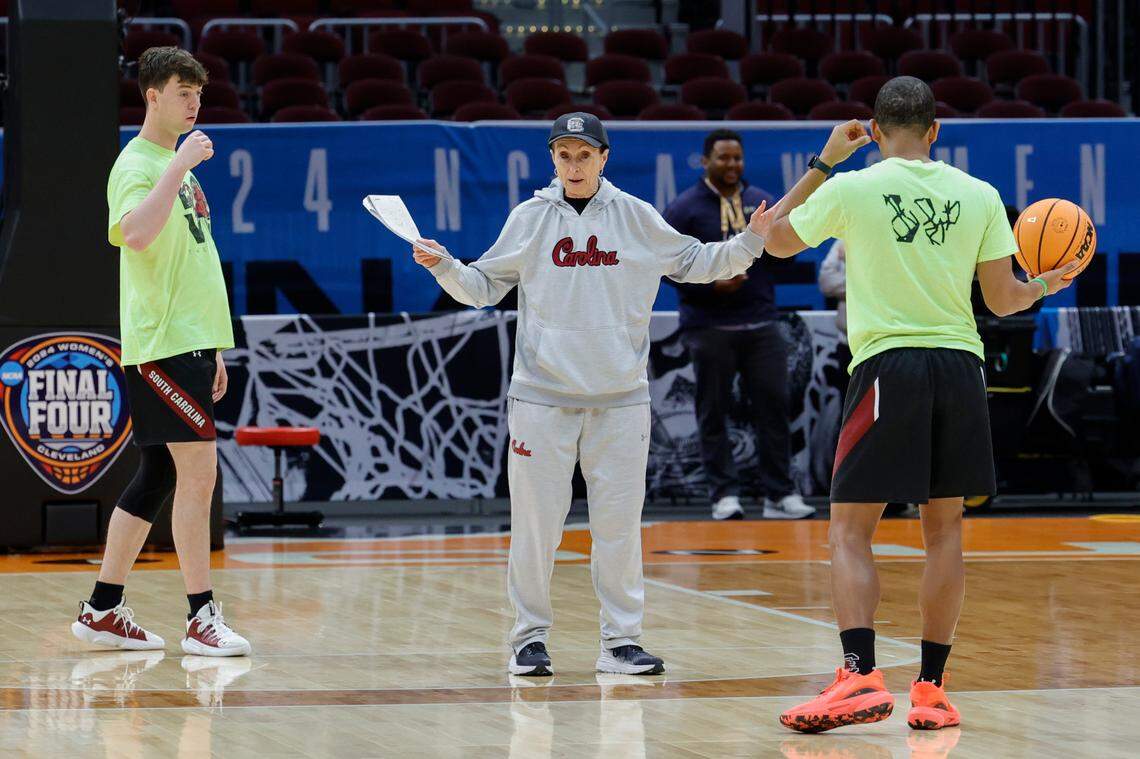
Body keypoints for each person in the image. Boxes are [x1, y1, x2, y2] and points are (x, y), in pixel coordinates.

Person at [411, 112, 843, 678]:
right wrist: (444, 265)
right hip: (541, 399)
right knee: (536, 526)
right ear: (553, 160)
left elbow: (699, 264)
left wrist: (749, 241)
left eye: (583, 155)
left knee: (617, 527)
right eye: (564, 155)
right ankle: (529, 639)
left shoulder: (637, 218)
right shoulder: (530, 218)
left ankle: (620, 641)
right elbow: (482, 287)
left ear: (603, 158)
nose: (573, 165)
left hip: (620, 400)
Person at [756, 78, 1076, 733]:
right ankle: (930, 689)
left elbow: (775, 240)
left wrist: (823, 162)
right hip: (960, 367)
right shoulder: (980, 193)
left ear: (873, 132)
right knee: (946, 531)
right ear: (936, 132)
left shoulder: (852, 187)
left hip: (887, 367)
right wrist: (1047, 280)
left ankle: (858, 671)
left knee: (850, 529)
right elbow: (1002, 299)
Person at [71, 47, 250, 657]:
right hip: (161, 346)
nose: (193, 103)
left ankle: (101, 608)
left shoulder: (177, 166)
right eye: (181, 91)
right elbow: (136, 235)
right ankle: (201, 618)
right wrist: (177, 165)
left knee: (158, 476)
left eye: (198, 92)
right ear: (151, 96)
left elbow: (191, 259)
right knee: (199, 477)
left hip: (187, 342)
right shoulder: (140, 164)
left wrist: (213, 346)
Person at [664, 129, 814, 521]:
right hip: (708, 325)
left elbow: (786, 255)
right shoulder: (684, 208)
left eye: (737, 158)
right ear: (705, 161)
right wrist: (712, 282)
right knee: (713, 411)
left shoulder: (758, 201)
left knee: (775, 409)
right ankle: (723, 495)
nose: (731, 165)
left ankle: (779, 494)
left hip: (762, 321)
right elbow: (664, 267)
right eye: (723, 158)